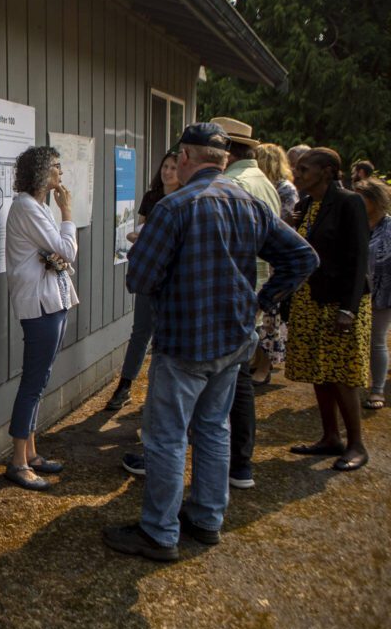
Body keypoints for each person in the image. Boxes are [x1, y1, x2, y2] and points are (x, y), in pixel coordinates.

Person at [102, 122, 317, 561]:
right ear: (221, 161)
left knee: (165, 438)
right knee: (213, 430)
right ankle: (205, 519)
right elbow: (302, 257)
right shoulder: (249, 203)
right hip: (234, 338)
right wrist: (263, 301)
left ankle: (160, 532)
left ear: (183, 159)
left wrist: (152, 254)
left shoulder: (174, 207)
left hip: (185, 342)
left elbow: (139, 278)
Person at [286, 148, 372, 471]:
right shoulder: (307, 204)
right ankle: (330, 437)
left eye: (304, 169)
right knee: (318, 370)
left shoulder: (349, 203)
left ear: (326, 171)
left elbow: (359, 258)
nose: (297, 174)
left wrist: (348, 310)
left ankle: (356, 444)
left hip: (341, 303)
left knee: (342, 374)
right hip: (312, 298)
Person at [2, 145, 78, 491]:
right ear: (40, 173)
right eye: (55, 167)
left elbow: (54, 253)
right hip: (39, 306)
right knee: (33, 382)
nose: (60, 173)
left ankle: (31, 453)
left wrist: (56, 246)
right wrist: (68, 213)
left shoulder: (37, 207)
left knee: (40, 379)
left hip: (53, 301)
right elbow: (66, 250)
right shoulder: (27, 208)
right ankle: (18, 462)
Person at [211, 117, 281, 489]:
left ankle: (237, 462)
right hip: (252, 289)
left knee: (229, 382)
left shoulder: (234, 185)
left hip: (233, 292)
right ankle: (240, 462)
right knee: (236, 379)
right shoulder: (262, 182)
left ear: (226, 152)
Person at [105, 151, 180, 417]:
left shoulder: (185, 198)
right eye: (165, 166)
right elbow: (141, 229)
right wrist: (140, 235)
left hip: (173, 279)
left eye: (173, 167)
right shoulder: (153, 197)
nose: (167, 171)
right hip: (151, 275)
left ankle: (158, 397)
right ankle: (124, 386)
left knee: (165, 337)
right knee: (141, 331)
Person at [251, 143, 299, 386]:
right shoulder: (268, 186)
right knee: (263, 316)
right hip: (263, 259)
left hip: (274, 263)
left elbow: (286, 226)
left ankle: (265, 366)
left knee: (271, 317)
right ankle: (256, 360)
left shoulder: (285, 190)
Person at [353, 178, 391, 409]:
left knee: (376, 340)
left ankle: (377, 390)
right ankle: (355, 384)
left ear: (375, 200)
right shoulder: (356, 223)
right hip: (357, 291)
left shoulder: (388, 227)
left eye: (361, 197)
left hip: (382, 293)